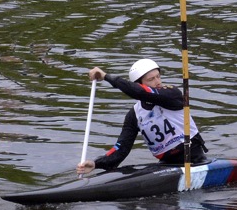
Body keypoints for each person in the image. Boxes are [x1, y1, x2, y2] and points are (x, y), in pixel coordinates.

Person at [76, 58, 207, 175]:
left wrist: (106, 76)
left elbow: (139, 92)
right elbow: (121, 149)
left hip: (194, 159)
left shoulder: (172, 94)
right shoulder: (134, 115)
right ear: (139, 83)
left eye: (158, 76)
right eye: (151, 79)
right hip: (166, 165)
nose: (158, 82)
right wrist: (96, 164)